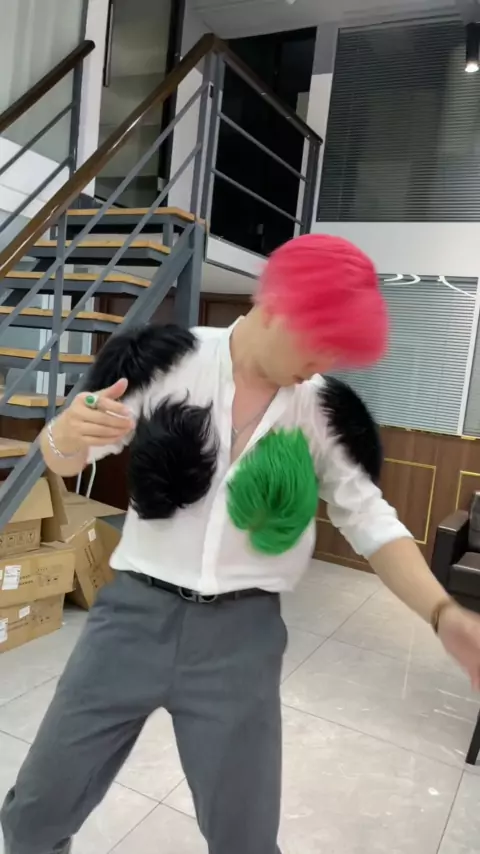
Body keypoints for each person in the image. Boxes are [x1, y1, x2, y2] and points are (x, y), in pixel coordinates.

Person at [2, 233, 480, 854]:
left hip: (241, 640)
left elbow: (372, 521)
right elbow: (69, 458)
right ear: (277, 306)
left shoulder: (322, 410)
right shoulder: (165, 362)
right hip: (129, 621)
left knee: (246, 842)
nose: (323, 363)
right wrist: (63, 434)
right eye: (320, 342)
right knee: (33, 818)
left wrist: (442, 613)